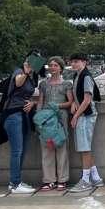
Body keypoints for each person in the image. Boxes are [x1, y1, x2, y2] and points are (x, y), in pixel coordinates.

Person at [1, 57, 40, 194]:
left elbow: (27, 94)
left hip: (23, 115)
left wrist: (32, 103)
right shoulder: (19, 72)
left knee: (21, 150)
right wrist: (26, 71)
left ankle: (16, 181)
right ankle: (14, 183)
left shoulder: (32, 76)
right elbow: (18, 83)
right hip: (13, 114)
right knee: (17, 151)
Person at [68, 51, 104, 193]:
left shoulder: (86, 77)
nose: (73, 64)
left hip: (86, 115)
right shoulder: (79, 75)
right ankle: (96, 178)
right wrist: (74, 104)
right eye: (72, 61)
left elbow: (87, 99)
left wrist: (75, 116)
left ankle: (85, 180)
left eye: (76, 61)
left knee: (84, 148)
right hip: (84, 114)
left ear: (84, 62)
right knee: (85, 147)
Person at [36, 56, 73, 192]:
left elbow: (70, 102)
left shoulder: (66, 84)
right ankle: (49, 179)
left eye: (55, 65)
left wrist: (57, 106)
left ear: (61, 68)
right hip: (46, 118)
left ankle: (62, 179)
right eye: (51, 65)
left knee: (61, 146)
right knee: (47, 147)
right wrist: (38, 118)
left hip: (60, 117)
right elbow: (40, 101)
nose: (52, 68)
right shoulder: (43, 84)